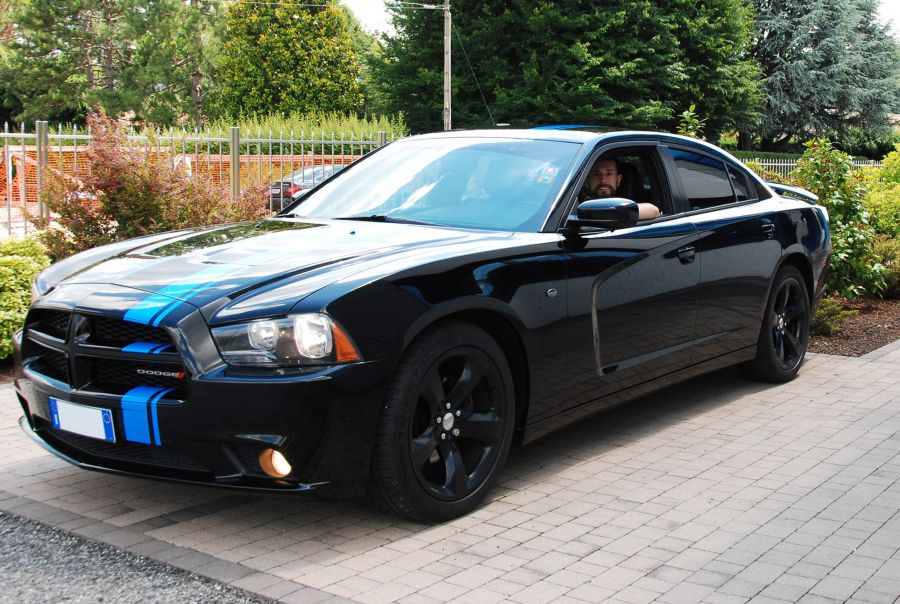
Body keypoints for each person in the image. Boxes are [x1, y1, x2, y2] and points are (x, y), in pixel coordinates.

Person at [580, 159, 660, 220]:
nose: (603, 180)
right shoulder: (572, 202)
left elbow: (653, 210)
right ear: (587, 180)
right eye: (596, 174)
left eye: (609, 174)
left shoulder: (624, 204)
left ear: (618, 180)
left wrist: (606, 213)